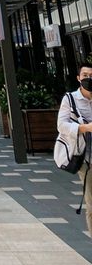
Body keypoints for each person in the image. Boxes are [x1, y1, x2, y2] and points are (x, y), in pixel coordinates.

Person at [57, 64, 92, 235]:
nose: (88, 79)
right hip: (86, 158)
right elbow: (61, 125)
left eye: (91, 75)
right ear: (78, 78)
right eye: (85, 75)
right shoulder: (70, 99)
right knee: (91, 203)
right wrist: (84, 128)